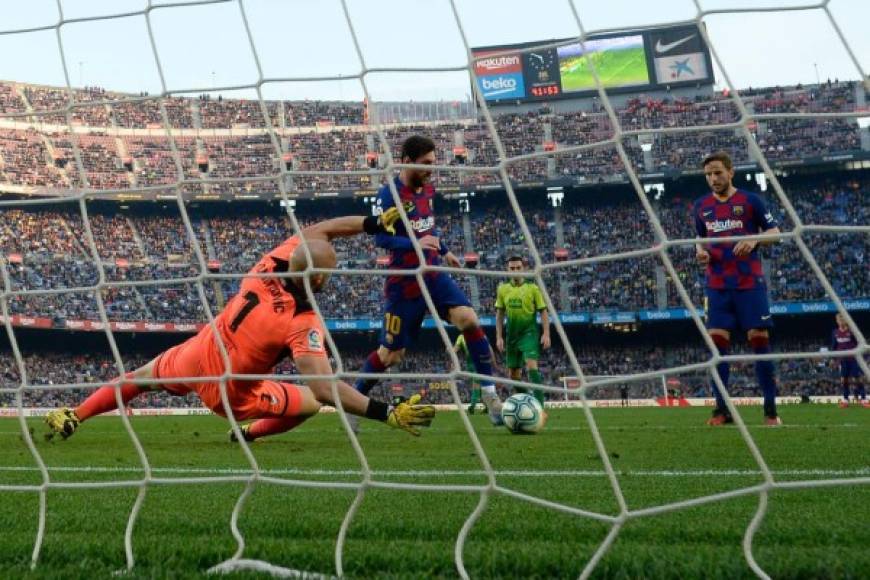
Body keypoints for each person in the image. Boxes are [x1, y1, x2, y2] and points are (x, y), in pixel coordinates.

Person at [44, 212, 436, 442]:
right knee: (313, 404)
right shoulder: (302, 322)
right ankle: (249, 433)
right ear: (319, 282)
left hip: (200, 352)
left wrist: (371, 224)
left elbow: (323, 230)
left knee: (140, 377)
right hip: (230, 392)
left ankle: (74, 414)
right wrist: (387, 413)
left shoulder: (269, 263)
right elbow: (324, 388)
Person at [351, 135, 503, 427]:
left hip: (433, 274)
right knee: (390, 355)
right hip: (405, 283)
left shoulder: (427, 189)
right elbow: (381, 237)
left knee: (468, 319)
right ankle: (354, 401)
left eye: (433, 163)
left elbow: (427, 227)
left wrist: (444, 251)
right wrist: (417, 245)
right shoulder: (388, 195)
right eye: (426, 164)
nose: (431, 169)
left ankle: (490, 395)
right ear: (406, 161)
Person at [693, 151, 782, 426]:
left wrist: (754, 240)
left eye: (718, 172)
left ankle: (770, 412)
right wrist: (701, 252)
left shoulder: (750, 200)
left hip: (748, 283)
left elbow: (775, 233)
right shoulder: (701, 206)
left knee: (759, 342)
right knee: (718, 348)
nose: (713, 178)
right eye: (708, 174)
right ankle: (721, 411)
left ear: (731, 172)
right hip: (717, 285)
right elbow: (701, 239)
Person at [494, 256, 551, 405]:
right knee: (513, 374)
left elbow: (543, 311)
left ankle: (540, 405)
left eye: (518, 268)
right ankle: (528, 401)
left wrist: (546, 333)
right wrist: (499, 337)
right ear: (507, 270)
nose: (515, 271)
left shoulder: (533, 288)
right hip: (511, 336)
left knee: (531, 364)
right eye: (512, 268)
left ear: (524, 269)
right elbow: (499, 314)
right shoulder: (503, 289)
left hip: (529, 333)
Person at [831, 313, 868, 408]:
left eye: (843, 319)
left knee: (857, 379)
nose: (841, 321)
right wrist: (833, 359)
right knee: (844, 380)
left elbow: (859, 344)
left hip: (853, 359)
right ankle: (845, 400)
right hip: (843, 360)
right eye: (839, 319)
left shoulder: (851, 331)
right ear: (836, 321)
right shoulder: (835, 332)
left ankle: (864, 399)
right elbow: (834, 346)